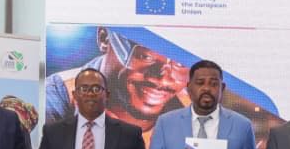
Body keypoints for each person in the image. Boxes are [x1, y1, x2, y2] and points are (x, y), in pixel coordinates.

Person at [45, 28, 188, 131]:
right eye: (145, 56)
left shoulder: (190, 104)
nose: (163, 80)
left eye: (180, 64)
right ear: (104, 38)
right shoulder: (55, 98)